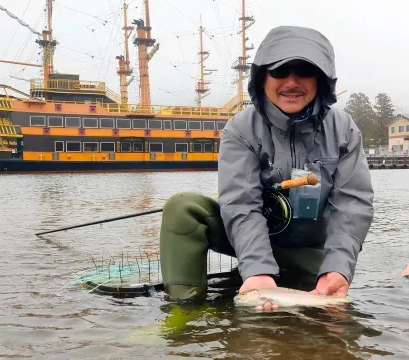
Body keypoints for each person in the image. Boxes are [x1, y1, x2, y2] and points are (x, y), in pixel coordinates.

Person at [159, 25, 374, 308]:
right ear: (262, 78)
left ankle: (313, 283)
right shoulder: (240, 130)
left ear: (322, 79)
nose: (292, 82)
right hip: (251, 243)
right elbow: (241, 203)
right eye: (280, 71)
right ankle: (184, 311)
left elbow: (352, 204)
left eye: (304, 71)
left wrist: (337, 268)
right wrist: (258, 269)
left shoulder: (345, 130)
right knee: (182, 209)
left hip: (310, 254)